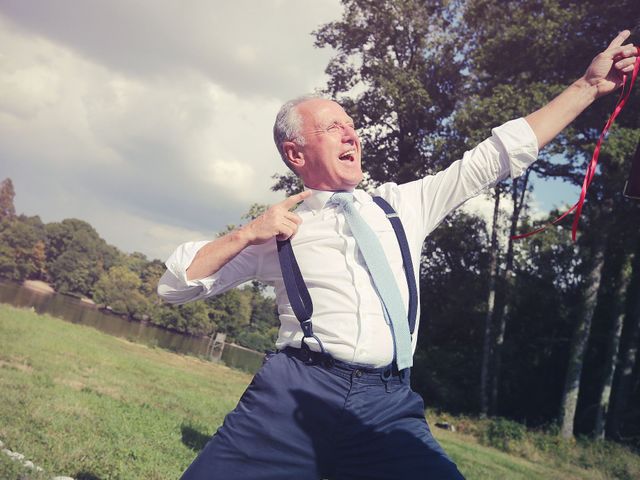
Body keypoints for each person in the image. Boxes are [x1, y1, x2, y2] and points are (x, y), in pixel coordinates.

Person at [158, 31, 638, 479]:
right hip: (294, 391)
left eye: (351, 125)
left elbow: (493, 156)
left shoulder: (402, 204)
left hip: (386, 401)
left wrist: (587, 86)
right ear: (296, 153)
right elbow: (175, 288)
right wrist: (245, 234)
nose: (352, 135)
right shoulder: (277, 230)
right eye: (333, 128)